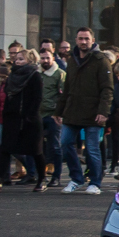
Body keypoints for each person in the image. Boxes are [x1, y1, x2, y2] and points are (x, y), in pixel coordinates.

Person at [56, 27, 112, 194]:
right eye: (80, 38)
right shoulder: (72, 60)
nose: (83, 42)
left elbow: (107, 89)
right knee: (65, 143)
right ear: (76, 40)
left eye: (86, 38)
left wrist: (103, 111)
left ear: (92, 40)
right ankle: (76, 179)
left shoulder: (101, 60)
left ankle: (95, 182)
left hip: (94, 113)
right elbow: (67, 87)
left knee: (92, 148)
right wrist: (59, 111)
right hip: (72, 111)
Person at [0, 49, 46, 192]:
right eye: (17, 59)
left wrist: (30, 115)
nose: (17, 62)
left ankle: (41, 178)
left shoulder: (34, 75)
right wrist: (3, 117)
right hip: (12, 118)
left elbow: (37, 98)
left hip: (29, 119)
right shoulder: (12, 76)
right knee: (4, 148)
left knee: (36, 151)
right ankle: (0, 178)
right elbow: (7, 97)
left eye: (21, 59)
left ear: (30, 60)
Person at [38, 47, 66, 187]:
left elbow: (63, 95)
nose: (45, 60)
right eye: (42, 58)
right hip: (38, 115)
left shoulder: (59, 74)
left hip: (53, 116)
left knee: (55, 146)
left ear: (53, 58)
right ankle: (38, 176)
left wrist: (59, 113)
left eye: (47, 58)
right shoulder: (37, 74)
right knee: (37, 148)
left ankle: (56, 177)